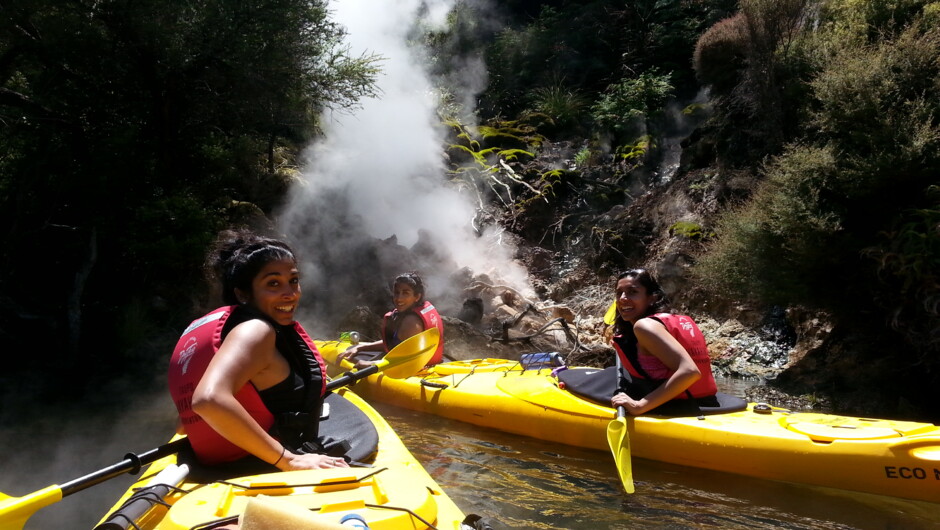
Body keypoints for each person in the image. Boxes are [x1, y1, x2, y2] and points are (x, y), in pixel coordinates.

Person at [168, 228, 349, 470]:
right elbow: (208, 400)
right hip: (261, 465)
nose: (290, 293)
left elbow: (183, 425)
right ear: (243, 293)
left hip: (220, 468)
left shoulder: (231, 332)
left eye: (293, 281)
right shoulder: (255, 331)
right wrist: (290, 459)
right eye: (273, 283)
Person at [609, 268, 718, 415]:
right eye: (619, 293)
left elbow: (690, 372)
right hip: (708, 402)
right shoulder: (676, 320)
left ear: (652, 298)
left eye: (632, 292)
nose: (622, 298)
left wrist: (639, 405)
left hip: (679, 408)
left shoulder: (645, 326)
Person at [337, 272, 444, 369]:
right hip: (430, 364)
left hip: (416, 370)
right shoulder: (414, 311)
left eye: (405, 293)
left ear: (417, 297)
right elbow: (394, 345)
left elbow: (407, 361)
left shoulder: (411, 322)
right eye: (397, 292)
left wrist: (371, 364)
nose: (399, 298)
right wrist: (360, 347)